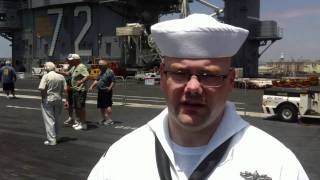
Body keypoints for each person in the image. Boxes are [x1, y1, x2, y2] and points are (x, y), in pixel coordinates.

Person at [88, 14, 309, 180]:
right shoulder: (120, 160)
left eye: (209, 75)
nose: (193, 87)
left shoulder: (277, 164)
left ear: (231, 81)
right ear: (162, 78)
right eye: (180, 73)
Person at [38, 62, 67, 146]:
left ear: (47, 68)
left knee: (49, 119)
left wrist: (43, 99)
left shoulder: (46, 76)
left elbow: (42, 88)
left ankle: (51, 140)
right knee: (57, 118)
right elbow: (65, 89)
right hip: (59, 99)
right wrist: (66, 100)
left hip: (49, 99)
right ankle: (56, 137)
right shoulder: (61, 76)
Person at [89, 59, 116, 125]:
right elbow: (97, 80)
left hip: (106, 91)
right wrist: (92, 86)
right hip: (100, 90)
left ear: (105, 65)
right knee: (101, 105)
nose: (99, 66)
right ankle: (104, 118)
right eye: (99, 65)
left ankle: (109, 119)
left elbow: (113, 81)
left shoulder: (110, 72)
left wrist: (110, 88)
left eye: (100, 65)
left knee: (107, 105)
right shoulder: (100, 72)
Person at [66, 53, 89, 130]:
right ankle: (79, 122)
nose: (71, 61)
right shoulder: (74, 67)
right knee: (77, 107)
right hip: (75, 90)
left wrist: (81, 81)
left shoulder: (81, 66)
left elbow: (87, 75)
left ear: (76, 60)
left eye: (72, 60)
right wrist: (56, 71)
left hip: (80, 90)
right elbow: (67, 73)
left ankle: (83, 124)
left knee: (81, 107)